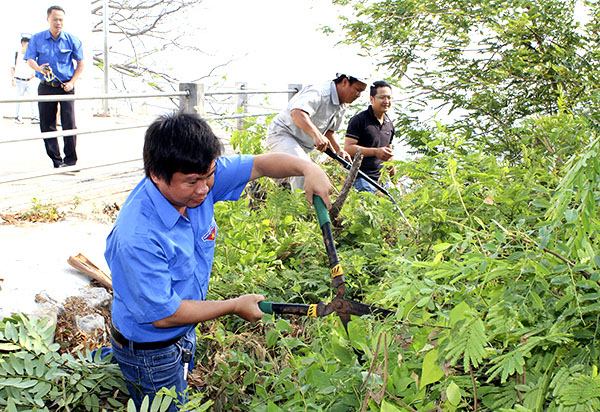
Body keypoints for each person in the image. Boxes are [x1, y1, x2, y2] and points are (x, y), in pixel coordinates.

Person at [104, 112, 332, 409]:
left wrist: (308, 168)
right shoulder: (137, 236)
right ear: (157, 176)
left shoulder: (198, 174)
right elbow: (164, 315)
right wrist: (233, 306)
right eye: (191, 182)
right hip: (150, 352)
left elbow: (262, 164)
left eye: (209, 175)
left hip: (183, 335)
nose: (204, 189)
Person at [266, 73, 368, 190]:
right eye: (357, 90)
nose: (358, 95)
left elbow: (329, 131)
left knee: (314, 177)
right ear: (344, 82)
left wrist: (338, 150)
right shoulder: (319, 91)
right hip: (284, 134)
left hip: (304, 145)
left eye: (361, 92)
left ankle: (288, 190)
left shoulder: (342, 104)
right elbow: (297, 113)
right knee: (303, 169)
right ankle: (301, 207)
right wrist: (317, 135)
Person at [25, 5, 84, 168]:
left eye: (61, 20)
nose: (58, 23)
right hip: (46, 86)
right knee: (47, 123)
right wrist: (38, 68)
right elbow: (30, 59)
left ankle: (71, 161)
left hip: (66, 86)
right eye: (55, 19)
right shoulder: (37, 38)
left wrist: (72, 82)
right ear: (48, 19)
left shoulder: (72, 39)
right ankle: (56, 161)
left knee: (69, 123)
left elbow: (80, 64)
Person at [344, 80, 396, 193]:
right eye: (382, 97)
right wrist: (375, 152)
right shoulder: (359, 120)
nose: (386, 101)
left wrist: (394, 179)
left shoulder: (389, 124)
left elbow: (389, 154)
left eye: (389, 98)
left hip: (382, 180)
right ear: (372, 99)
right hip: (361, 178)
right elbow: (348, 148)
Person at [11, 36, 38, 124]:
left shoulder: (32, 55)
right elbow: (12, 67)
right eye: (27, 44)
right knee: (19, 99)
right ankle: (17, 117)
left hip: (30, 80)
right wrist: (12, 79)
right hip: (19, 80)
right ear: (23, 44)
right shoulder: (17, 54)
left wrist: (34, 73)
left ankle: (34, 117)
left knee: (33, 99)